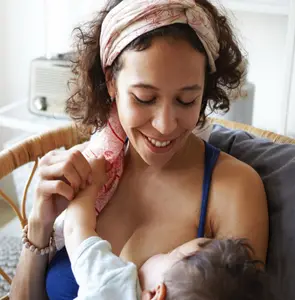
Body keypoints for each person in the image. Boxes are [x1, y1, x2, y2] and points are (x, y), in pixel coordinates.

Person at [10, 0, 269, 299]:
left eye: (186, 100)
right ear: (111, 82)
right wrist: (40, 223)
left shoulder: (233, 189)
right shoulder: (89, 168)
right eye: (144, 98)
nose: (164, 125)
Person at [64, 155, 266, 300]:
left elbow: (75, 229)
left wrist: (92, 184)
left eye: (170, 253)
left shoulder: (116, 283)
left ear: (157, 293)